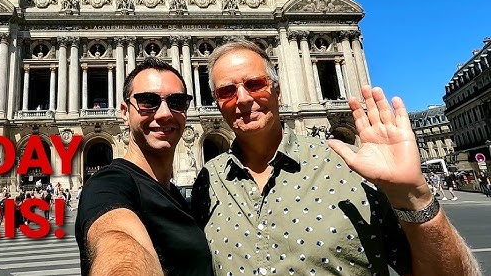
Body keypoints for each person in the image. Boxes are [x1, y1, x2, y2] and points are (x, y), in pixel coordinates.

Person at [191, 40, 480, 275]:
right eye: (227, 91)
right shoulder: (208, 181)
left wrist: (414, 196)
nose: (242, 99)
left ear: (277, 90)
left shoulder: (353, 167)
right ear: (216, 102)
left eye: (255, 84)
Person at [76, 57, 213, 276]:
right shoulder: (108, 185)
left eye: (177, 102)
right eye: (147, 101)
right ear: (124, 112)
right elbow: (117, 242)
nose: (164, 113)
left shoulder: (176, 195)